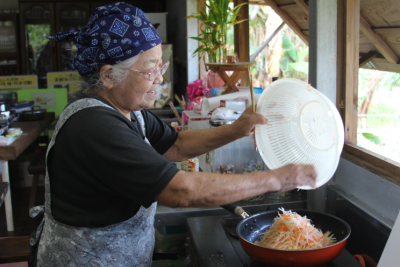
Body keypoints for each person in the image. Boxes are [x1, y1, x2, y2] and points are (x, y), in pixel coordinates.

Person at [29, 2, 316, 266]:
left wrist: (236, 130)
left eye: (160, 66)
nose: (160, 79)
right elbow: (181, 191)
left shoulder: (130, 111)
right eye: (150, 70)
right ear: (108, 76)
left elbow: (176, 144)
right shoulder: (93, 125)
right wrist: (276, 178)